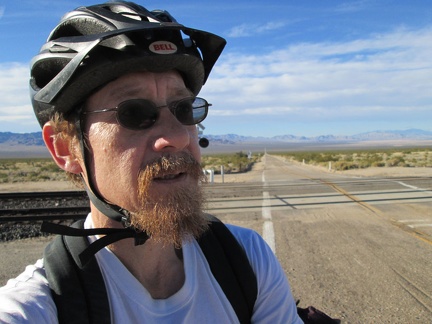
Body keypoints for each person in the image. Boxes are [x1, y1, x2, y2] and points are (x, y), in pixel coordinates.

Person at [0, 2, 302, 323]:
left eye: (184, 108)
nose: (178, 137)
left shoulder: (247, 261)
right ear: (65, 148)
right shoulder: (39, 307)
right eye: (134, 113)